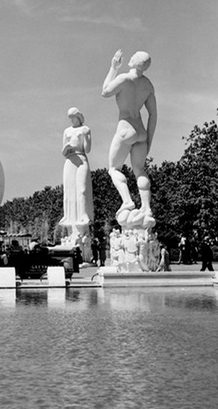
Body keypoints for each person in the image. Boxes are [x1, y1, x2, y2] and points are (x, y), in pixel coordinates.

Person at [102, 49, 157, 224]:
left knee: (113, 169)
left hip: (126, 129)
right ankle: (146, 209)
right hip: (141, 131)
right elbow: (153, 115)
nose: (130, 58)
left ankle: (127, 201)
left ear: (134, 61)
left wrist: (113, 68)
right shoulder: (148, 85)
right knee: (140, 170)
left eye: (132, 57)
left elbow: (105, 91)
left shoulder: (124, 79)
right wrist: (149, 140)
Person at [59, 107, 94, 255]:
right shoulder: (67, 131)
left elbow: (88, 148)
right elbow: (62, 150)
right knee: (69, 192)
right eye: (70, 117)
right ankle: (69, 219)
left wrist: (85, 136)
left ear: (79, 117)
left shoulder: (85, 129)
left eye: (73, 117)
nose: (71, 120)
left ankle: (83, 216)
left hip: (81, 158)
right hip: (69, 160)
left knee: (82, 189)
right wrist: (67, 148)